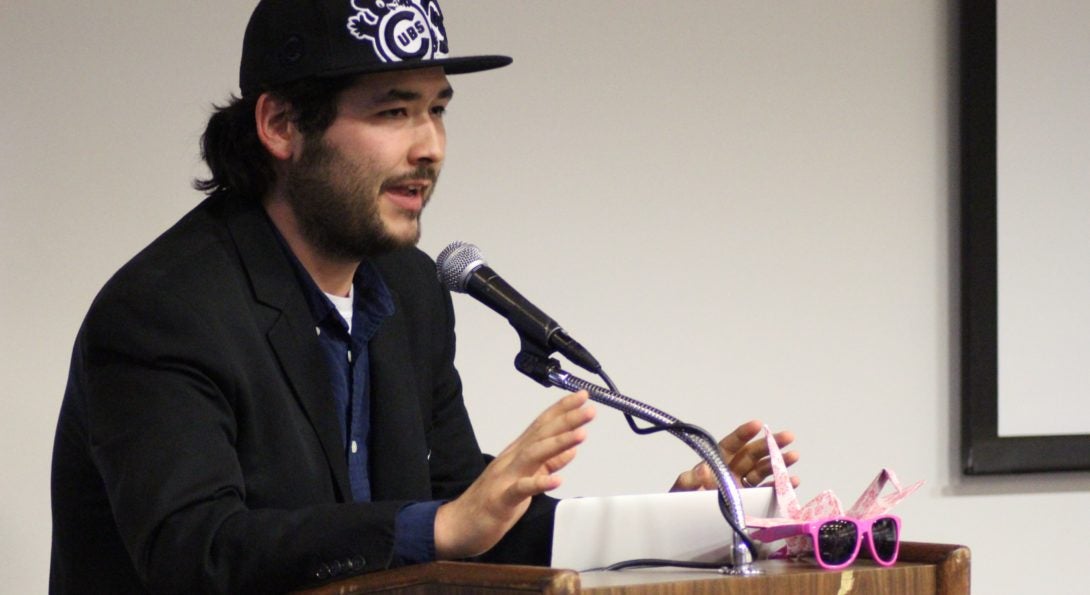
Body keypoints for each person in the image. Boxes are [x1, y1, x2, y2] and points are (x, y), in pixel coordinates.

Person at [49, 1, 799, 593]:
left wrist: (674, 521)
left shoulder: (407, 292)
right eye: (392, 111)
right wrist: (437, 527)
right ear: (280, 125)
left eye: (438, 108)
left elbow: (471, 516)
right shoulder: (165, 310)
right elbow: (195, 552)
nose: (431, 146)